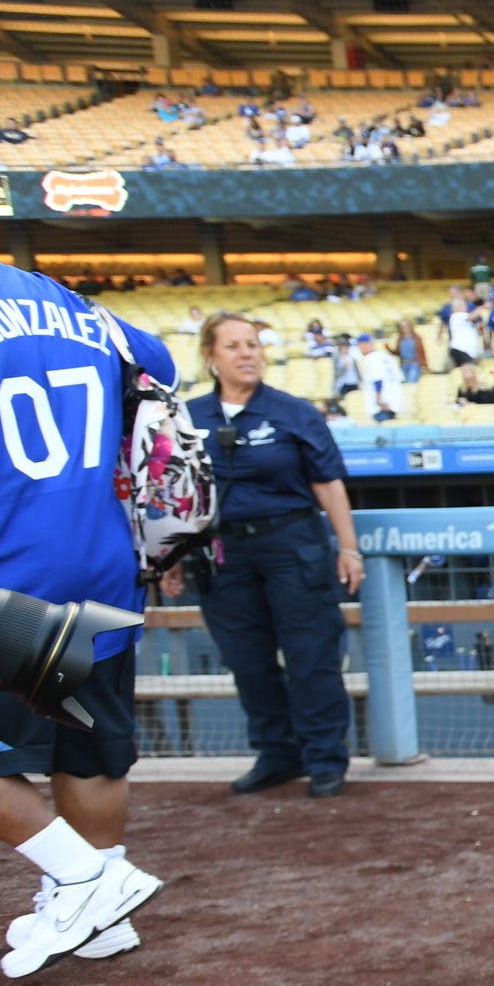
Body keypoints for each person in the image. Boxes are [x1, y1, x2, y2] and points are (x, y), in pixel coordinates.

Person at [0, 159, 169, 976]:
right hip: (101, 562)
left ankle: (86, 875)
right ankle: (102, 910)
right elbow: (159, 367)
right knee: (87, 747)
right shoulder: (72, 303)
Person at [172, 313, 361, 800]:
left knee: (311, 656)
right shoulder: (187, 418)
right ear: (210, 358)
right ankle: (278, 755)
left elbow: (327, 482)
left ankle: (325, 758)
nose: (246, 353)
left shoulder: (294, 411)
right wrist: (169, 557)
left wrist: (348, 546)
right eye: (233, 346)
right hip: (221, 552)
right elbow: (174, 493)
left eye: (253, 344)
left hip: (291, 544)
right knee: (247, 660)